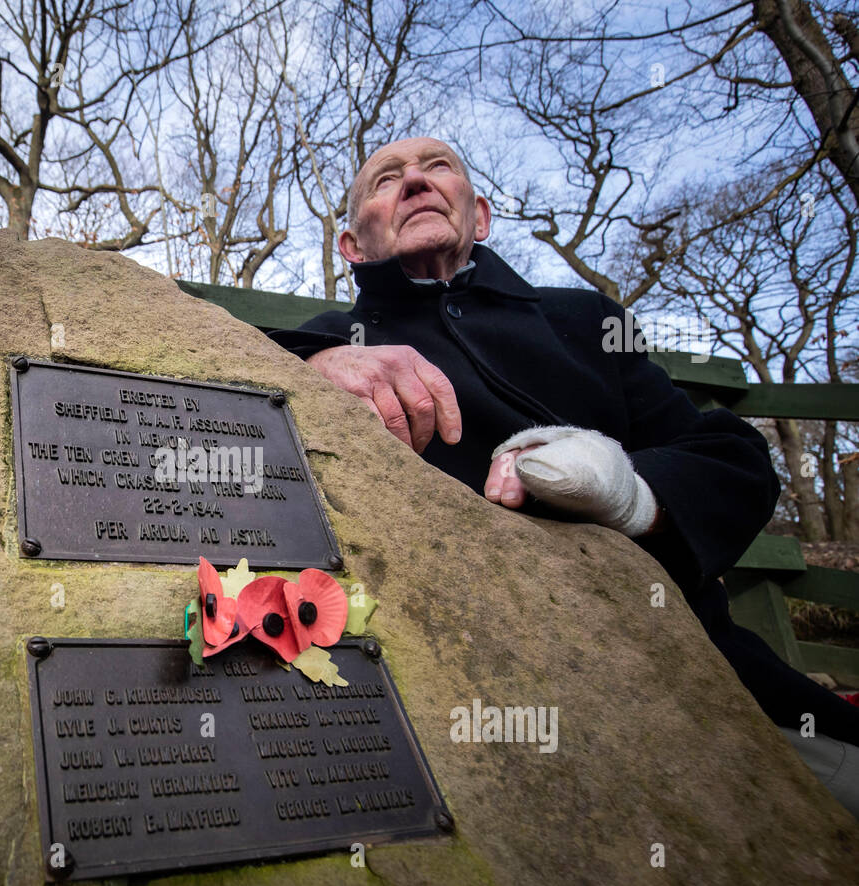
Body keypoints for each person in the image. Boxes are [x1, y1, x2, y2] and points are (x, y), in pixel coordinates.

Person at [268, 136, 859, 816]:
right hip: (452, 701)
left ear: (480, 216)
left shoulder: (584, 321)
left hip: (702, 682)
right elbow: (226, 388)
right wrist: (311, 368)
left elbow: (735, 460)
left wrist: (630, 492)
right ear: (351, 247)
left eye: (438, 168)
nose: (416, 183)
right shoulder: (319, 342)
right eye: (386, 178)